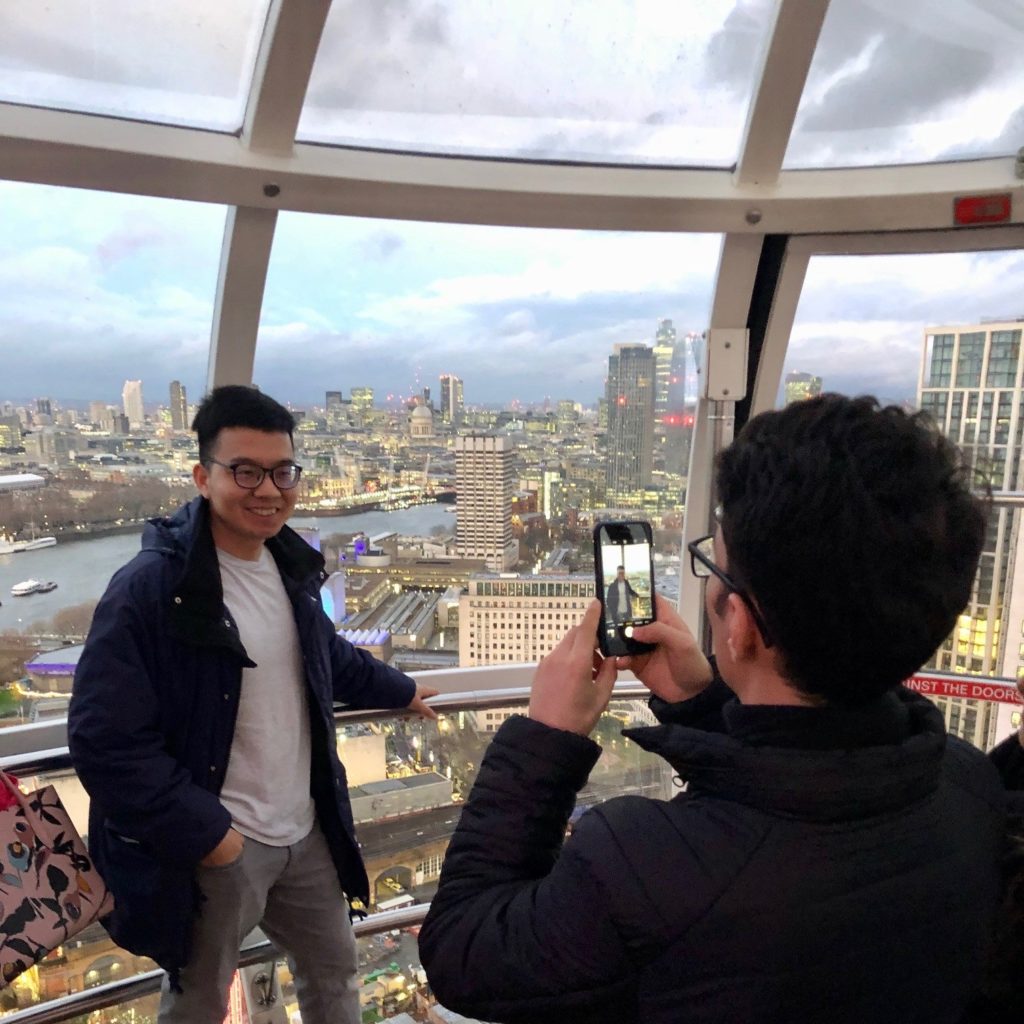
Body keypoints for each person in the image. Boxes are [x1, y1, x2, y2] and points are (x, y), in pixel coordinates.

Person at [419, 394, 1008, 1024]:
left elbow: (463, 950)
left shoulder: (639, 869)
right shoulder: (971, 786)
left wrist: (546, 739)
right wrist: (705, 706)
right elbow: (800, 792)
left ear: (743, 628)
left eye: (714, 568)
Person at [68, 385, 437, 1024]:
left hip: (306, 828)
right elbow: (103, 739)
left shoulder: (288, 567)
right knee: (199, 1002)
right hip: (221, 842)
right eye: (245, 471)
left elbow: (325, 658)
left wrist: (400, 691)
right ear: (202, 477)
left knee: (336, 974)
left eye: (282, 471)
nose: (268, 489)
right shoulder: (152, 589)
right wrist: (212, 837)